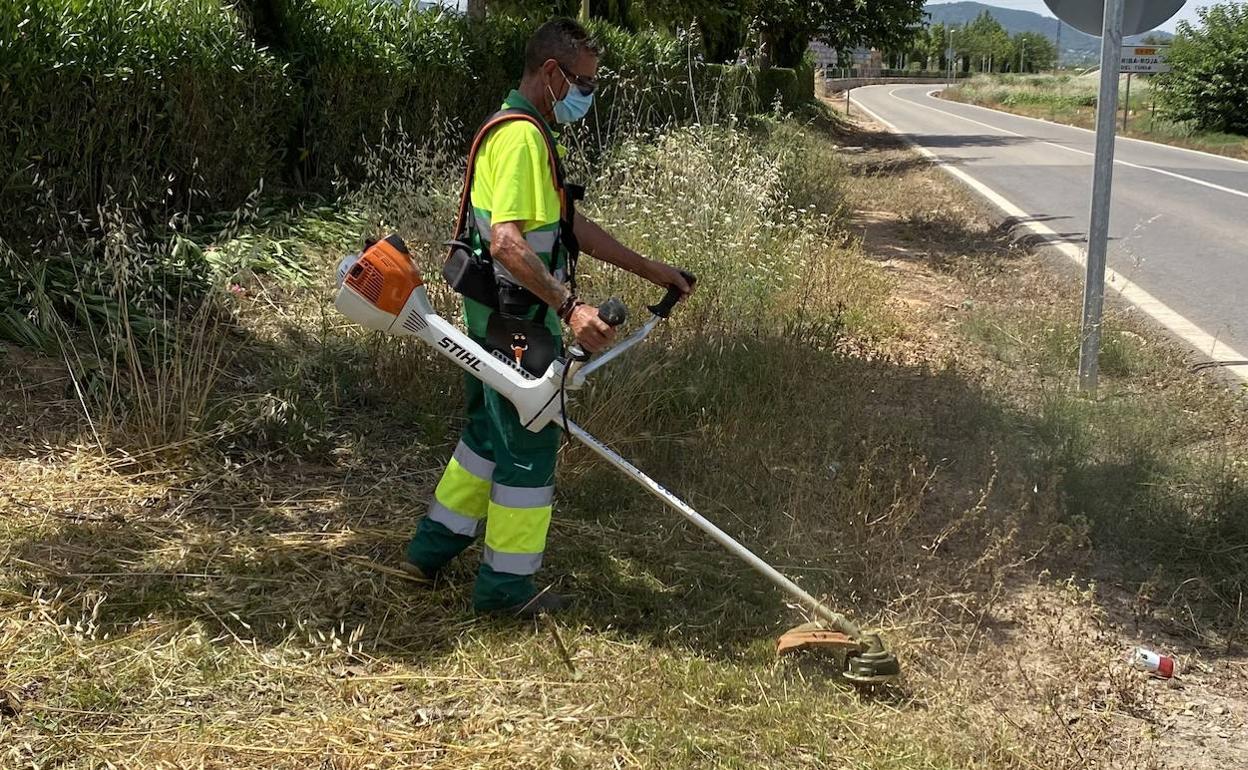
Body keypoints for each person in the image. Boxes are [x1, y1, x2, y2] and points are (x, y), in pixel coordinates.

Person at [403, 18, 693, 617]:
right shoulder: (520, 139)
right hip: (516, 323)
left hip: (496, 317)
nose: (587, 94)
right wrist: (571, 306)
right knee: (529, 446)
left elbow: (565, 225)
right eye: (584, 83)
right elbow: (508, 243)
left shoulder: (528, 130)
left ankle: (428, 553)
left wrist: (648, 268)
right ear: (553, 73)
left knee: (486, 438)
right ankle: (505, 590)